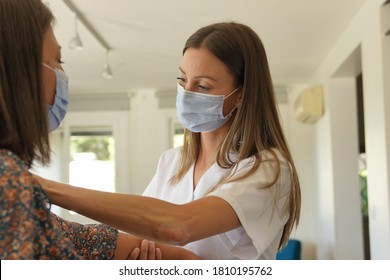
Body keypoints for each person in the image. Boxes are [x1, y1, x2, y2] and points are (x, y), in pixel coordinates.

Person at [36, 21, 301, 260]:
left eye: (203, 86)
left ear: (241, 95)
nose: (186, 93)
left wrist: (43, 187)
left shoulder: (266, 169)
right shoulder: (172, 162)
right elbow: (142, 233)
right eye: (182, 80)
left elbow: (177, 227)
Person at [0, 0, 199, 260]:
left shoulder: (17, 184)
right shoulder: (9, 181)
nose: (62, 74)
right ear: (20, 73)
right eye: (57, 61)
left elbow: (80, 239)